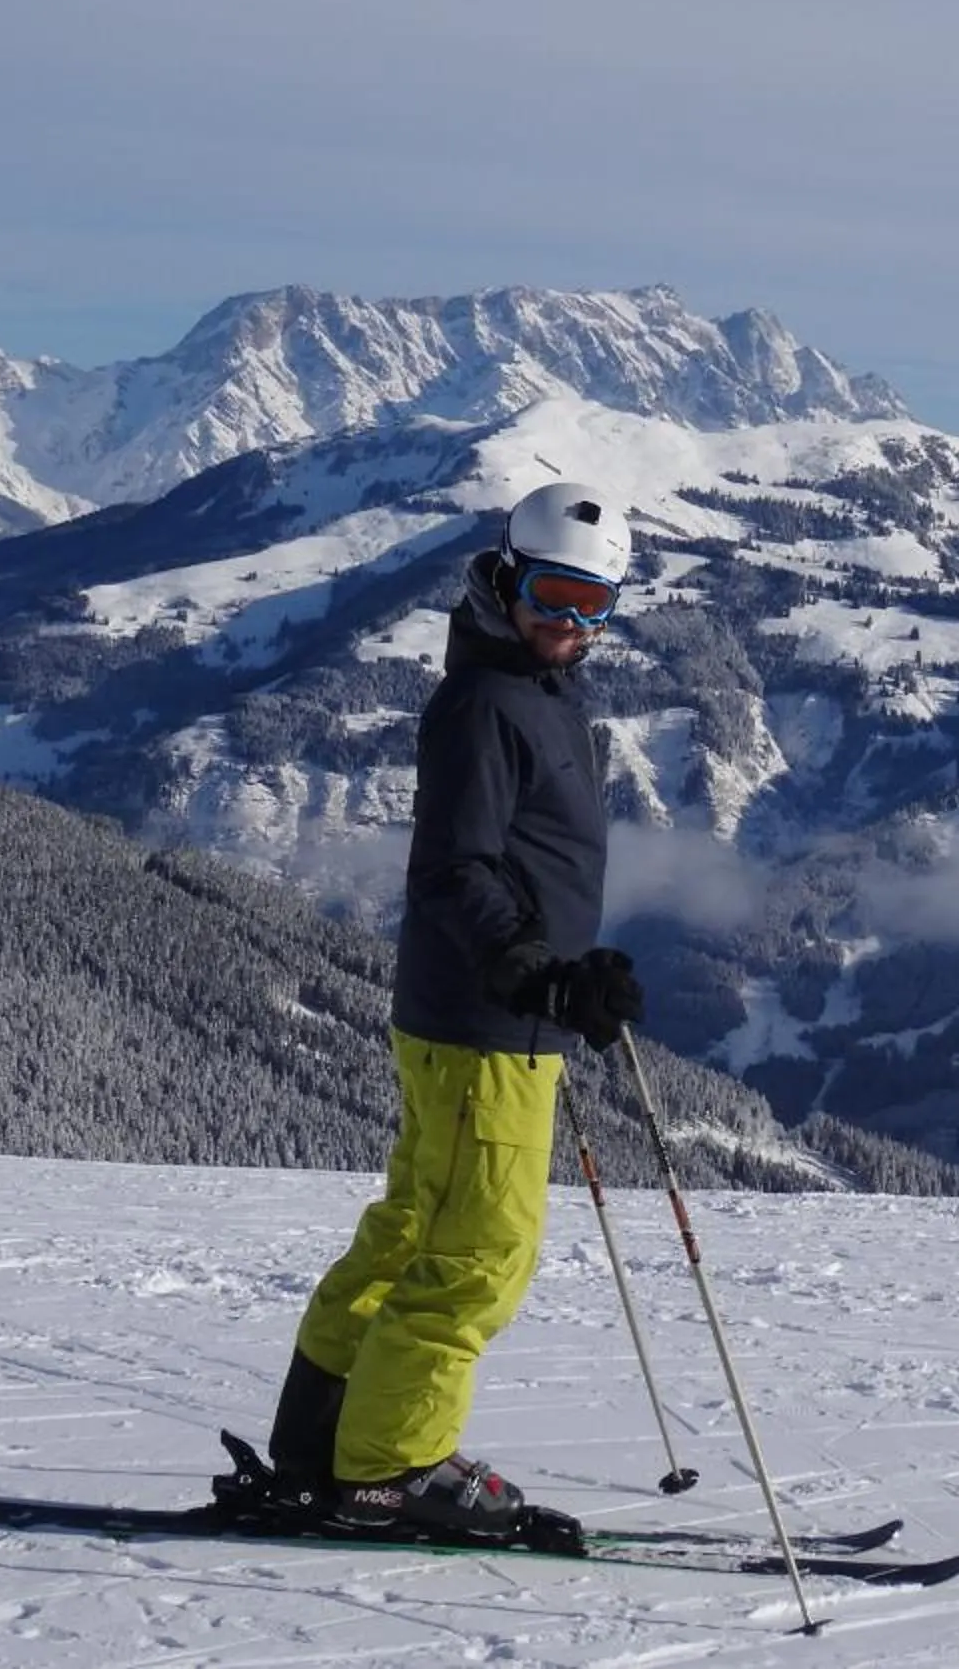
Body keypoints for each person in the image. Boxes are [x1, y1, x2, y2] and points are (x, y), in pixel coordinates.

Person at [266, 480, 648, 1537]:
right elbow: (452, 868)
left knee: (410, 1232)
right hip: (488, 1027)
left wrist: (572, 969)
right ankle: (391, 1466)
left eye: (594, 604)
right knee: (480, 1252)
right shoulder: (488, 703)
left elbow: (521, 864)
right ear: (506, 578)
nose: (570, 622)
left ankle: (321, 1449)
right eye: (554, 595)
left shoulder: (535, 691)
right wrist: (538, 972)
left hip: (477, 1016)